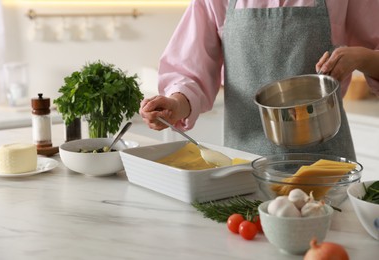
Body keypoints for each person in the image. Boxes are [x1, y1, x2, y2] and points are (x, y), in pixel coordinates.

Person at [140, 0, 379, 160]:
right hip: (244, 164)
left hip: (326, 166)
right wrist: (176, 105)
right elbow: (192, 69)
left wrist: (363, 58)